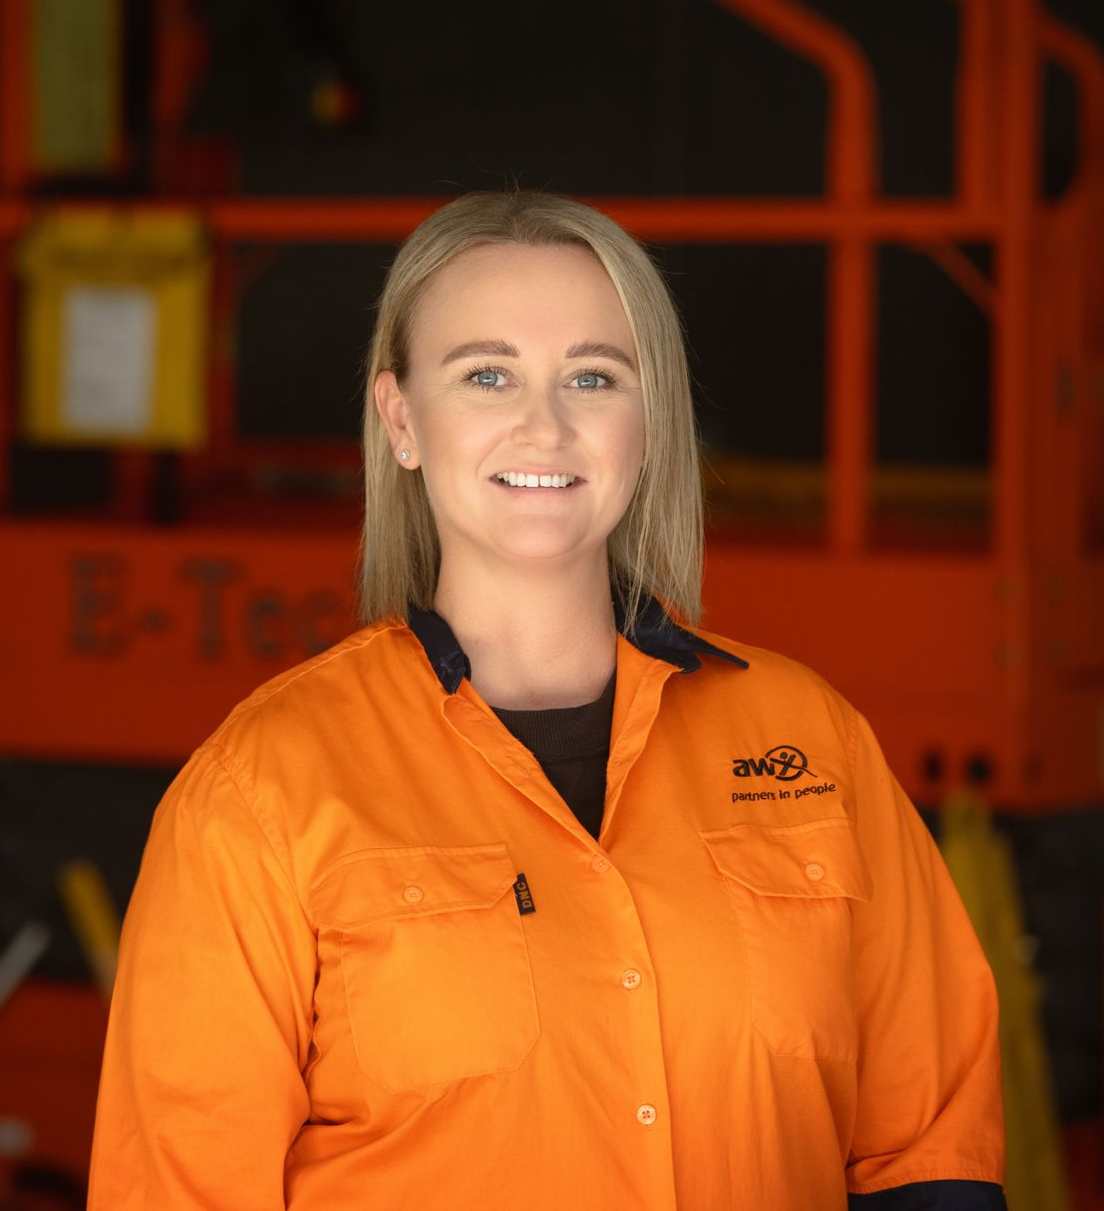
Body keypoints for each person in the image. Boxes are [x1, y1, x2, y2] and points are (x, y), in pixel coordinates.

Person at [88, 191, 1006, 1209]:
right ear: (401, 420)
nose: (545, 423)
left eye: (591, 375)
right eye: (487, 375)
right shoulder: (258, 792)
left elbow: (931, 1151)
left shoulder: (811, 738)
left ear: (647, 418)